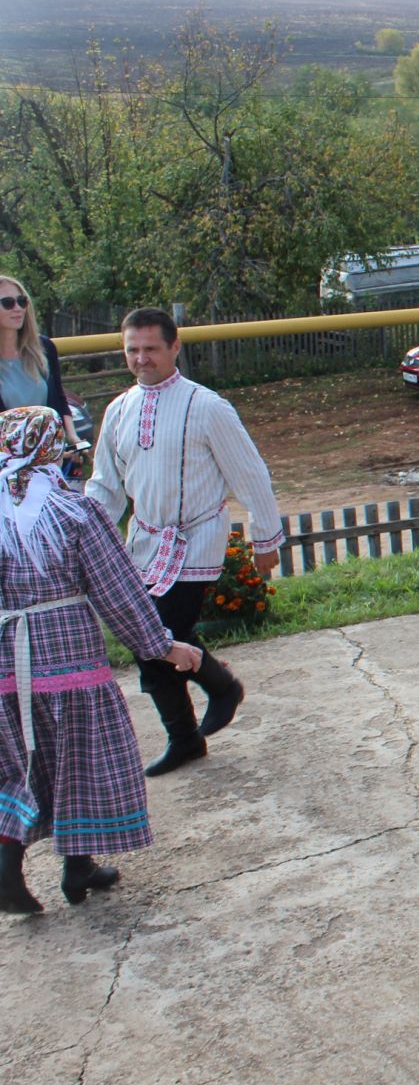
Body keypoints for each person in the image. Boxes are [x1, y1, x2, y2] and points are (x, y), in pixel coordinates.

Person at [0, 408, 202, 915]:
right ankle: (68, 866)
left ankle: (26, 862)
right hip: (70, 664)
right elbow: (119, 592)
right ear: (52, 450)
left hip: (6, 665)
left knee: (21, 763)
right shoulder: (75, 513)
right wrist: (163, 645)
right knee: (81, 760)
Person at [86, 308, 282, 778]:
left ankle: (199, 718)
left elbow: (250, 474)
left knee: (160, 639)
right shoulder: (118, 410)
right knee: (149, 640)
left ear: (174, 347)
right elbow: (105, 487)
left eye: (151, 349)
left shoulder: (207, 407)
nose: (141, 359)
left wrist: (265, 539)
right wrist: (83, 537)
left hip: (196, 538)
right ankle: (204, 711)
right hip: (144, 544)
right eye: (132, 350)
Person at [0, 276, 75, 450]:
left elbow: (60, 399)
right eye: (8, 303)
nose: (18, 308)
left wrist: (72, 437)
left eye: (22, 301)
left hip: (49, 455)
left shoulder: (44, 347)